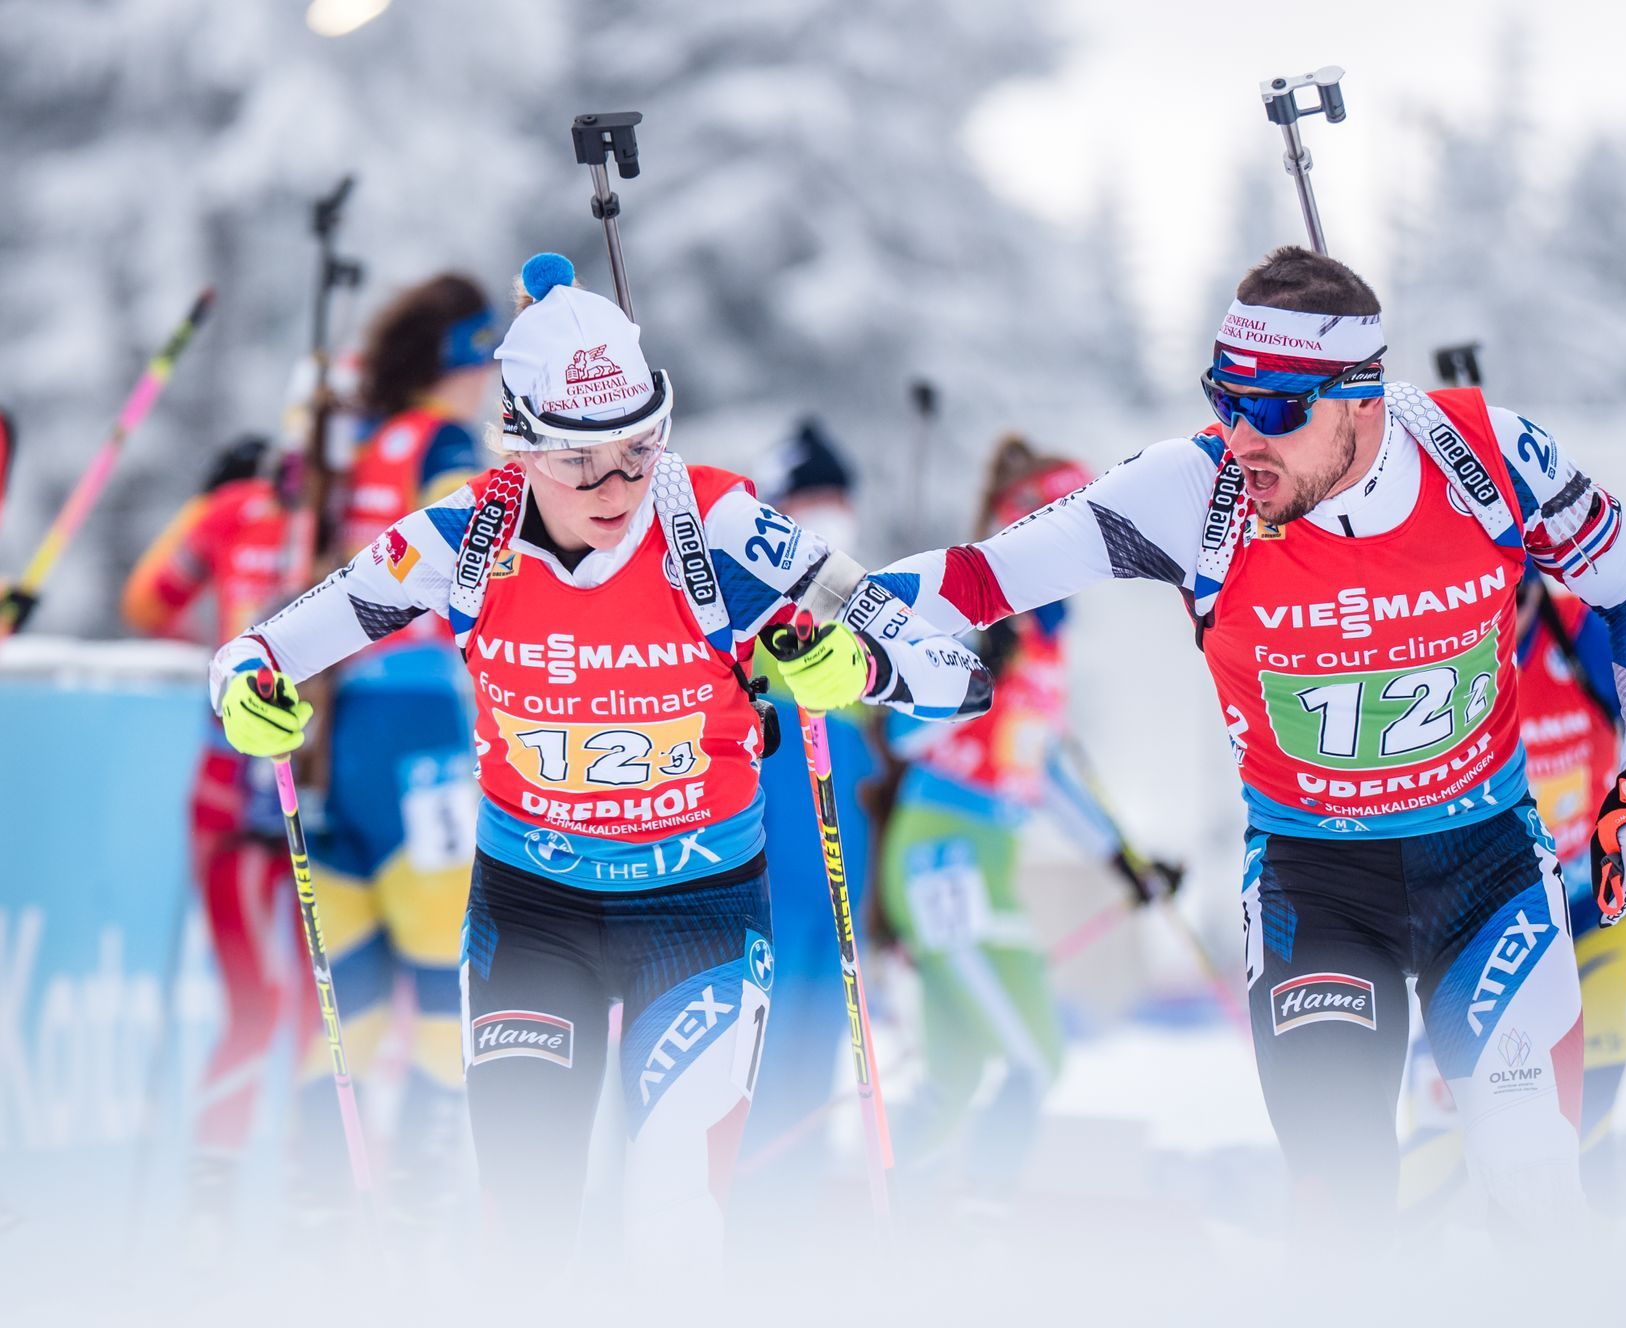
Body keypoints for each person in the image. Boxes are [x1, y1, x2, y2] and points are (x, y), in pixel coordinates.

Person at [876, 246, 1626, 1233]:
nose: (1243, 437)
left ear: (1361, 399)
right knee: (1341, 1203)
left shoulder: (1487, 460)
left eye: (1275, 411)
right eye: (1226, 399)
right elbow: (981, 576)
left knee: (1531, 1173)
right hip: (1318, 885)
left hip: (1487, 871)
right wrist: (813, 612)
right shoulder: (1193, 492)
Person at [207, 253, 991, 1263]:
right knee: (526, 1220)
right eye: (580, 460)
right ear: (520, 445)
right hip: (532, 914)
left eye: (637, 449)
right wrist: (247, 691)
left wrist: (852, 665)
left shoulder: (716, 522)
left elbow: (951, 671)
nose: (617, 484)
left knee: (672, 1209)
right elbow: (262, 647)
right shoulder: (464, 541)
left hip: (698, 910)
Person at [878, 437, 1173, 1206]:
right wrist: (971, 666)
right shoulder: (986, 620)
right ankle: (978, 1208)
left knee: (957, 1070)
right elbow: (906, 739)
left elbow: (1040, 769)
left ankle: (899, 1206)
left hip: (992, 858)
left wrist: (1123, 860)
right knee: (1034, 1056)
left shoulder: (1048, 642)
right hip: (942, 854)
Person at [1400, 573, 1626, 1209]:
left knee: (1577, 1124)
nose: (1511, 619)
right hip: (1482, 931)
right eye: (1493, 603)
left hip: (1599, 913)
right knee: (1441, 1142)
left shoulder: (1580, 633)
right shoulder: (1436, 654)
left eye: (1521, 599)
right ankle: (1387, 1295)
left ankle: (1581, 1290)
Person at [285, 272, 502, 1229]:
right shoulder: (444, 442)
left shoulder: (364, 442)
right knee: (445, 988)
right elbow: (477, 548)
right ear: (457, 363)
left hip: (342, 725)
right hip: (419, 723)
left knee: (354, 999)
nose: (493, 385)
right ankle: (418, 1209)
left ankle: (321, 1207)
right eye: (486, 363)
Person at [121, 434, 295, 1238]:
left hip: (241, 790)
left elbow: (148, 602)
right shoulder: (343, 507)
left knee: (268, 1005)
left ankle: (227, 1203)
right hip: (282, 789)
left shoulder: (230, 509)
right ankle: (222, 1202)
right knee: (288, 1005)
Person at [731, 418, 883, 1224]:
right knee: (767, 1007)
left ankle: (792, 1208)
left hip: (842, 827)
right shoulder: (741, 590)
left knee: (828, 1011)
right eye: (814, 502)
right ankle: (733, 1197)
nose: (833, 518)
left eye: (840, 502)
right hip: (775, 814)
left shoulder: (861, 601)